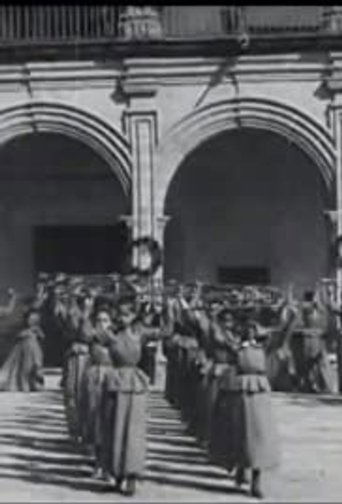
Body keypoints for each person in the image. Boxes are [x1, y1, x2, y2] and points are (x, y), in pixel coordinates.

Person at [222, 319, 280, 498]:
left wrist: (290, 315)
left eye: (254, 328)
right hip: (240, 394)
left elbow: (281, 337)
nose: (251, 331)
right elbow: (219, 337)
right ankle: (241, 468)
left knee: (259, 438)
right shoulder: (235, 348)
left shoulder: (263, 349)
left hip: (259, 395)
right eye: (247, 328)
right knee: (241, 434)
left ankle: (256, 482)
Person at [100, 296, 149, 496]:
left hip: (134, 384)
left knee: (133, 431)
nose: (122, 317)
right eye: (119, 314)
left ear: (133, 316)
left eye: (126, 314)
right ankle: (116, 473)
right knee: (114, 428)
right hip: (116, 382)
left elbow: (167, 330)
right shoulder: (110, 335)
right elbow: (92, 333)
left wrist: (171, 307)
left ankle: (132, 475)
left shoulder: (140, 334)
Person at [0, 307, 45, 391]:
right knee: (24, 367)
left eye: (34, 320)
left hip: (34, 350)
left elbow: (42, 337)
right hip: (24, 350)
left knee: (35, 365)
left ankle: (34, 383)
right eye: (30, 320)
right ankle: (23, 384)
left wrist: (37, 334)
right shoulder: (23, 331)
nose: (32, 322)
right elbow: (18, 337)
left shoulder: (36, 329)